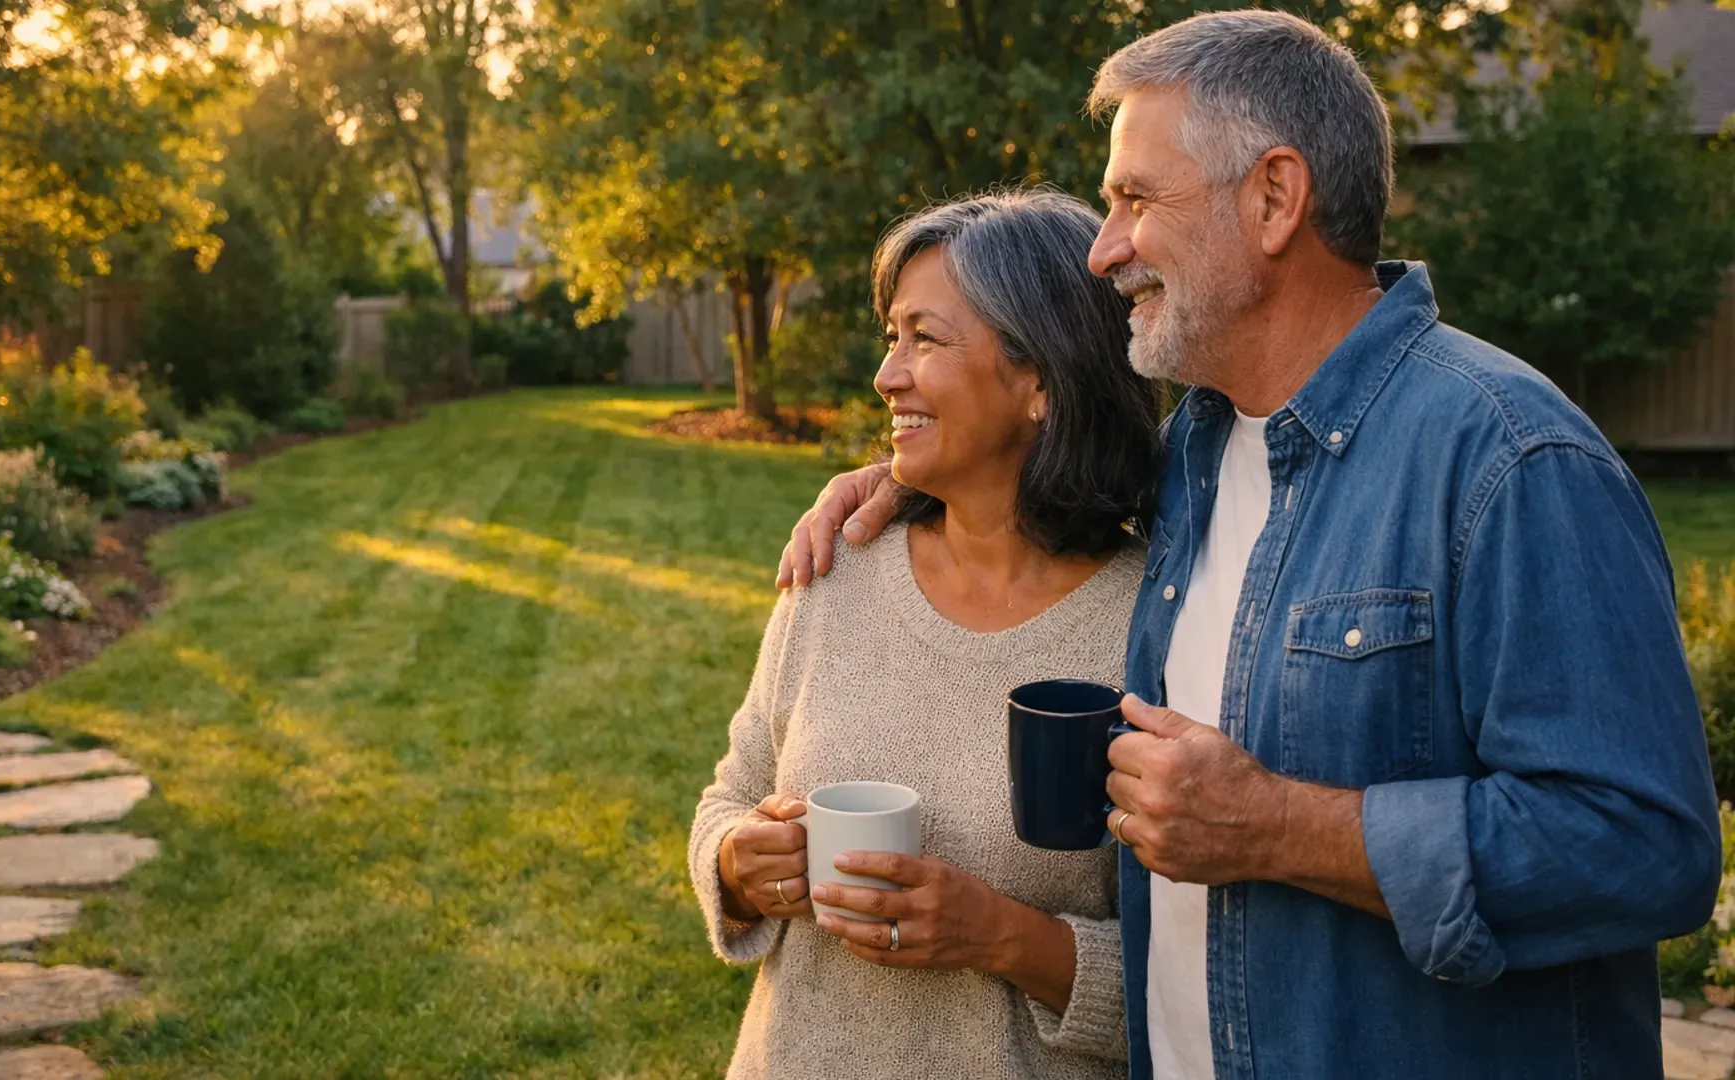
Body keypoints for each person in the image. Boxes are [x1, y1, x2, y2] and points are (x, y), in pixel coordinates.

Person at [776, 10, 1720, 1079]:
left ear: (1274, 199)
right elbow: (1047, 480)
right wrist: (906, 482)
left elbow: (1647, 849)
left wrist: (1278, 827)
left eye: (1136, 199)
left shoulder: (1509, 458)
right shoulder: (1196, 454)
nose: (1105, 246)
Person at [688, 189, 1160, 1079]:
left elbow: (1208, 977)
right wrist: (738, 867)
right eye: (890, 337)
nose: (887, 375)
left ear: (1041, 381)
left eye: (926, 339)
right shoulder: (840, 567)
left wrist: (1005, 938)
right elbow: (731, 793)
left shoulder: (1150, 627)